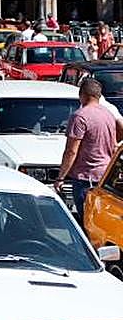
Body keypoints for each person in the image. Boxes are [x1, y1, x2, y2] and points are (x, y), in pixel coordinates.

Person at [56, 78, 123, 219]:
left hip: (86, 178)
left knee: (86, 220)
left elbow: (71, 151)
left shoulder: (80, 117)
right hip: (105, 177)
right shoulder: (108, 114)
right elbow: (114, 144)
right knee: (99, 220)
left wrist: (60, 178)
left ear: (82, 95)